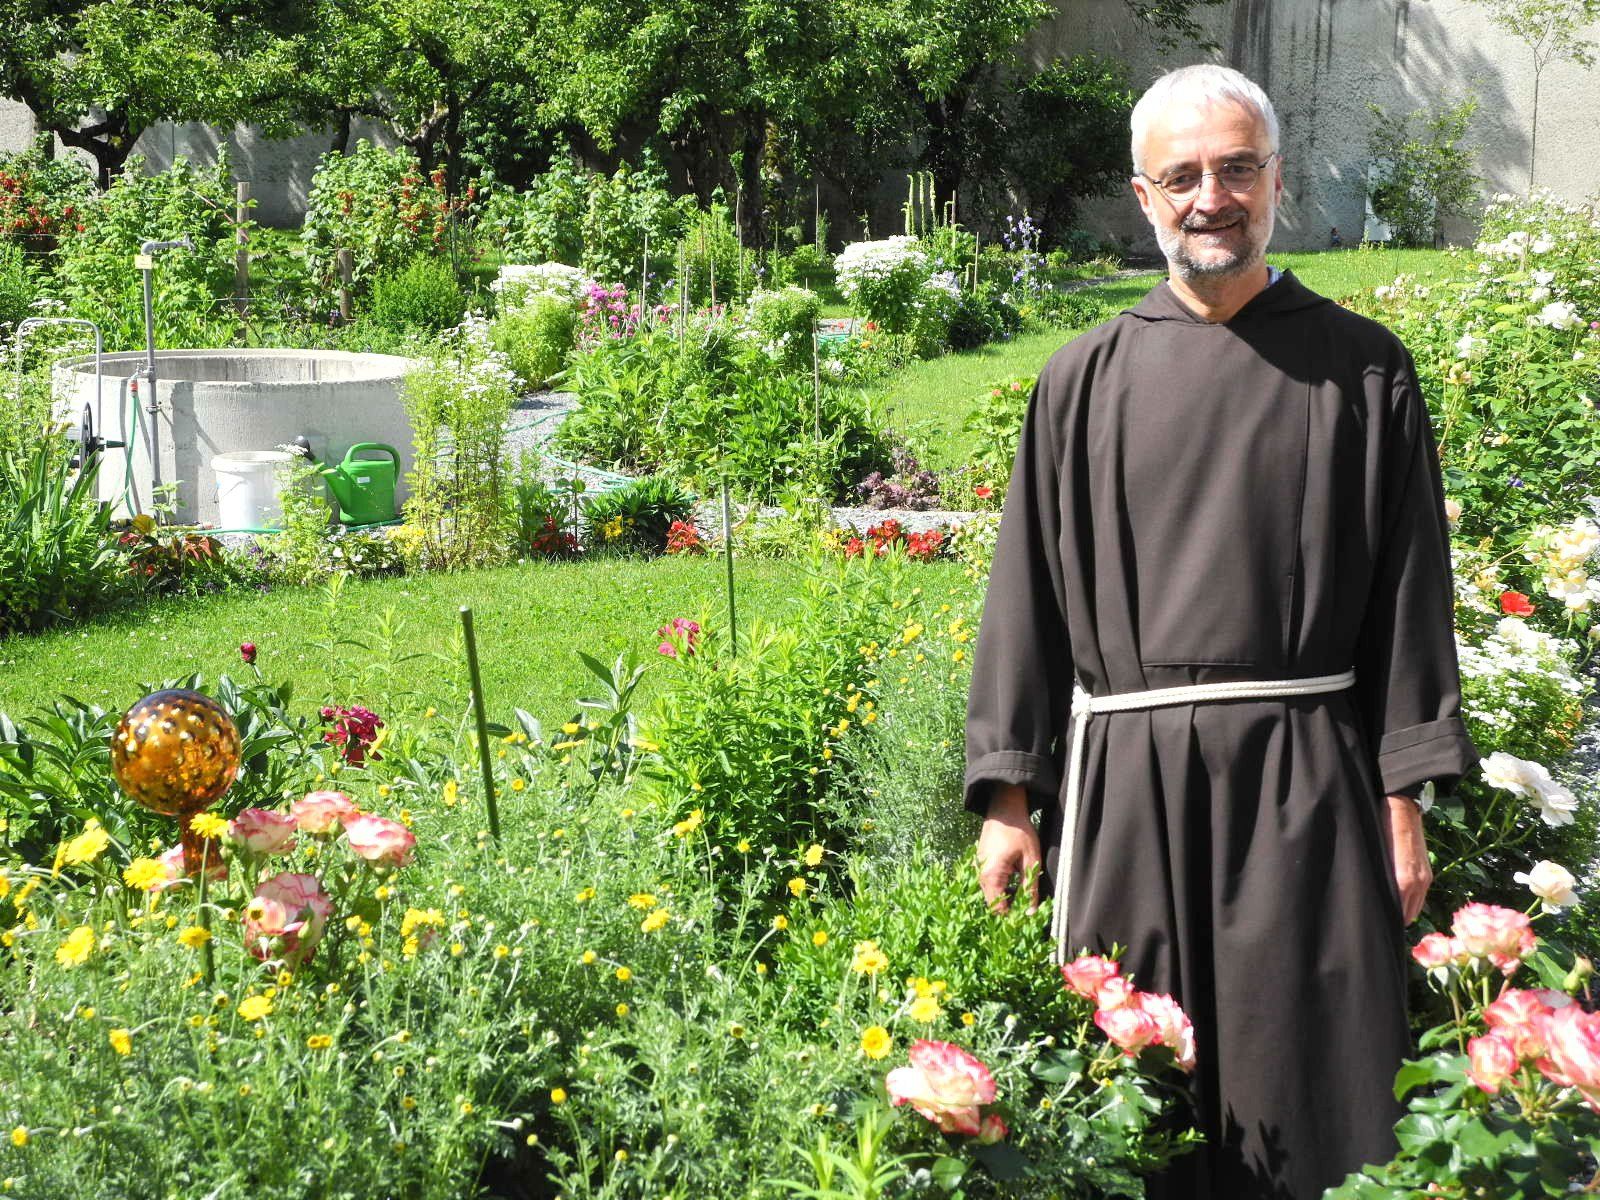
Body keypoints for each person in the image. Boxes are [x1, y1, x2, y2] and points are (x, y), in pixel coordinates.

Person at [965, 64, 1476, 1199]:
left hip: (1308, 784)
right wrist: (1008, 798)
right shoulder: (1079, 380)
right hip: (1126, 790)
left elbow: (1409, 597)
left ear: (1276, 181)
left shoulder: (1364, 369)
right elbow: (1025, 598)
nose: (1212, 198)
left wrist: (1404, 796)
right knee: (1132, 1104)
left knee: (1320, 1094)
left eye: (1237, 168)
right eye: (1183, 175)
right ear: (1143, 197)